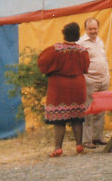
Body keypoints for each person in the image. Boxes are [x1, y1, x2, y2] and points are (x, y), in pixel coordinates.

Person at [38, 22, 90, 157]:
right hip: (78, 84)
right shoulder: (83, 51)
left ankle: (58, 148)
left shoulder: (55, 49)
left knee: (59, 119)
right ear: (78, 35)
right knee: (77, 117)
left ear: (64, 33)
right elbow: (86, 68)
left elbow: (42, 63)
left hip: (59, 85)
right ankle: (79, 145)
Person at [78, 17, 110, 148]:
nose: (93, 31)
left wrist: (107, 74)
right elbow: (79, 63)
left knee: (101, 109)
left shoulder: (100, 41)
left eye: (95, 28)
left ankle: (97, 137)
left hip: (103, 79)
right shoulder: (81, 43)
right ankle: (87, 140)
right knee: (89, 109)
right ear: (85, 29)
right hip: (90, 80)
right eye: (90, 29)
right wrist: (86, 78)